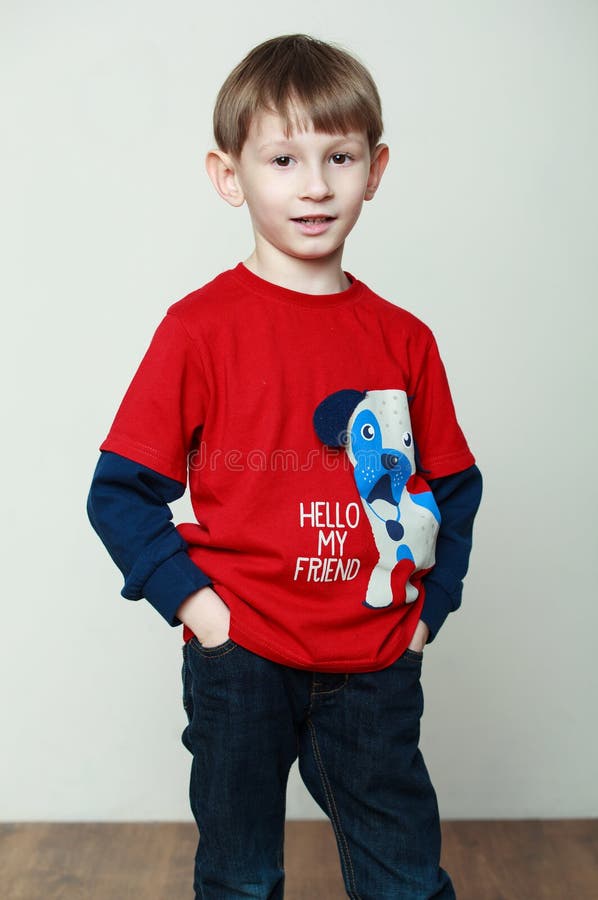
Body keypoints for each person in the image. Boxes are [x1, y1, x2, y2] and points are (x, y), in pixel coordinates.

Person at [87, 33, 483, 900]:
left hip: (376, 657)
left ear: (374, 170)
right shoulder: (198, 329)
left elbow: (453, 486)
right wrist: (200, 608)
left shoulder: (404, 339)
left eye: (339, 156)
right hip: (243, 656)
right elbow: (119, 493)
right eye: (282, 158)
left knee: (406, 880)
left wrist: (429, 613)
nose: (314, 185)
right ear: (230, 176)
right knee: (238, 878)